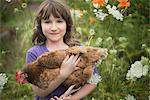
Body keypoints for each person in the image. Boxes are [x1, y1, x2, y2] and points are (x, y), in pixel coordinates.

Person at [26, 0, 101, 99]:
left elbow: (93, 81)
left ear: (67, 24)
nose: (54, 28)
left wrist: (72, 98)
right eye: (47, 22)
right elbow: (39, 93)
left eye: (59, 21)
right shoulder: (34, 53)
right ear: (40, 25)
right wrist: (63, 74)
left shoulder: (79, 49)